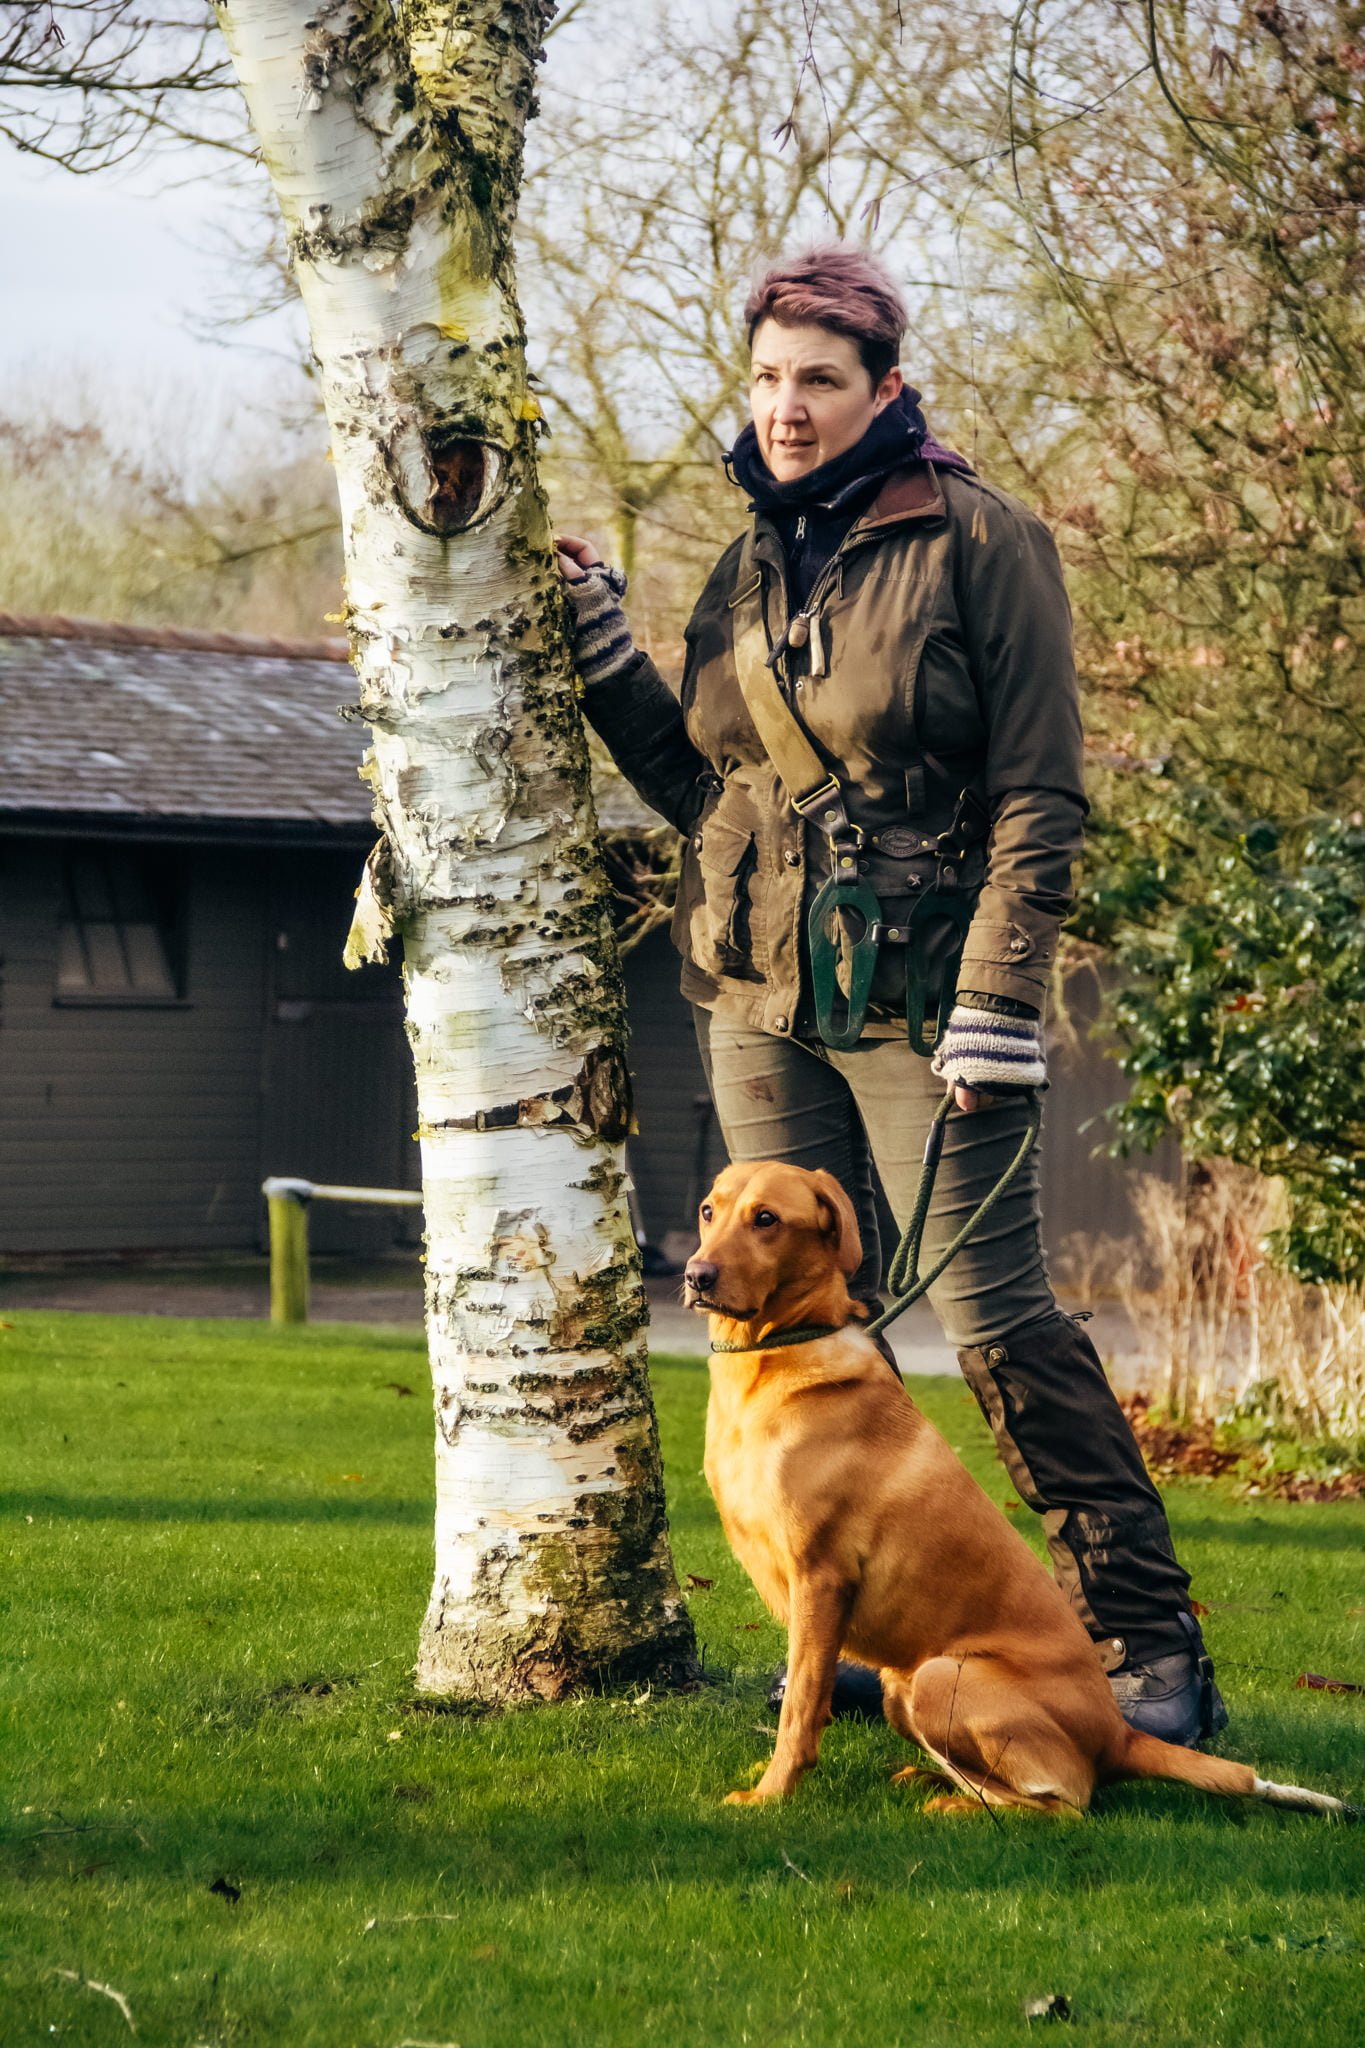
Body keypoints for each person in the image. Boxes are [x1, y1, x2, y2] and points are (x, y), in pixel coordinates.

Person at [555, 245, 1225, 1749]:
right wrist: (605, 657)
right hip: (756, 992)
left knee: (994, 1318)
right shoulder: (744, 560)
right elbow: (702, 788)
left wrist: (1000, 990)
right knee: (770, 1314)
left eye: (818, 380)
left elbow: (1043, 792)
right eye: (767, 379)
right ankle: (850, 1627)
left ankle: (1142, 1639)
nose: (785, 410)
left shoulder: (981, 540)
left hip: (930, 999)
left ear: (884, 389)